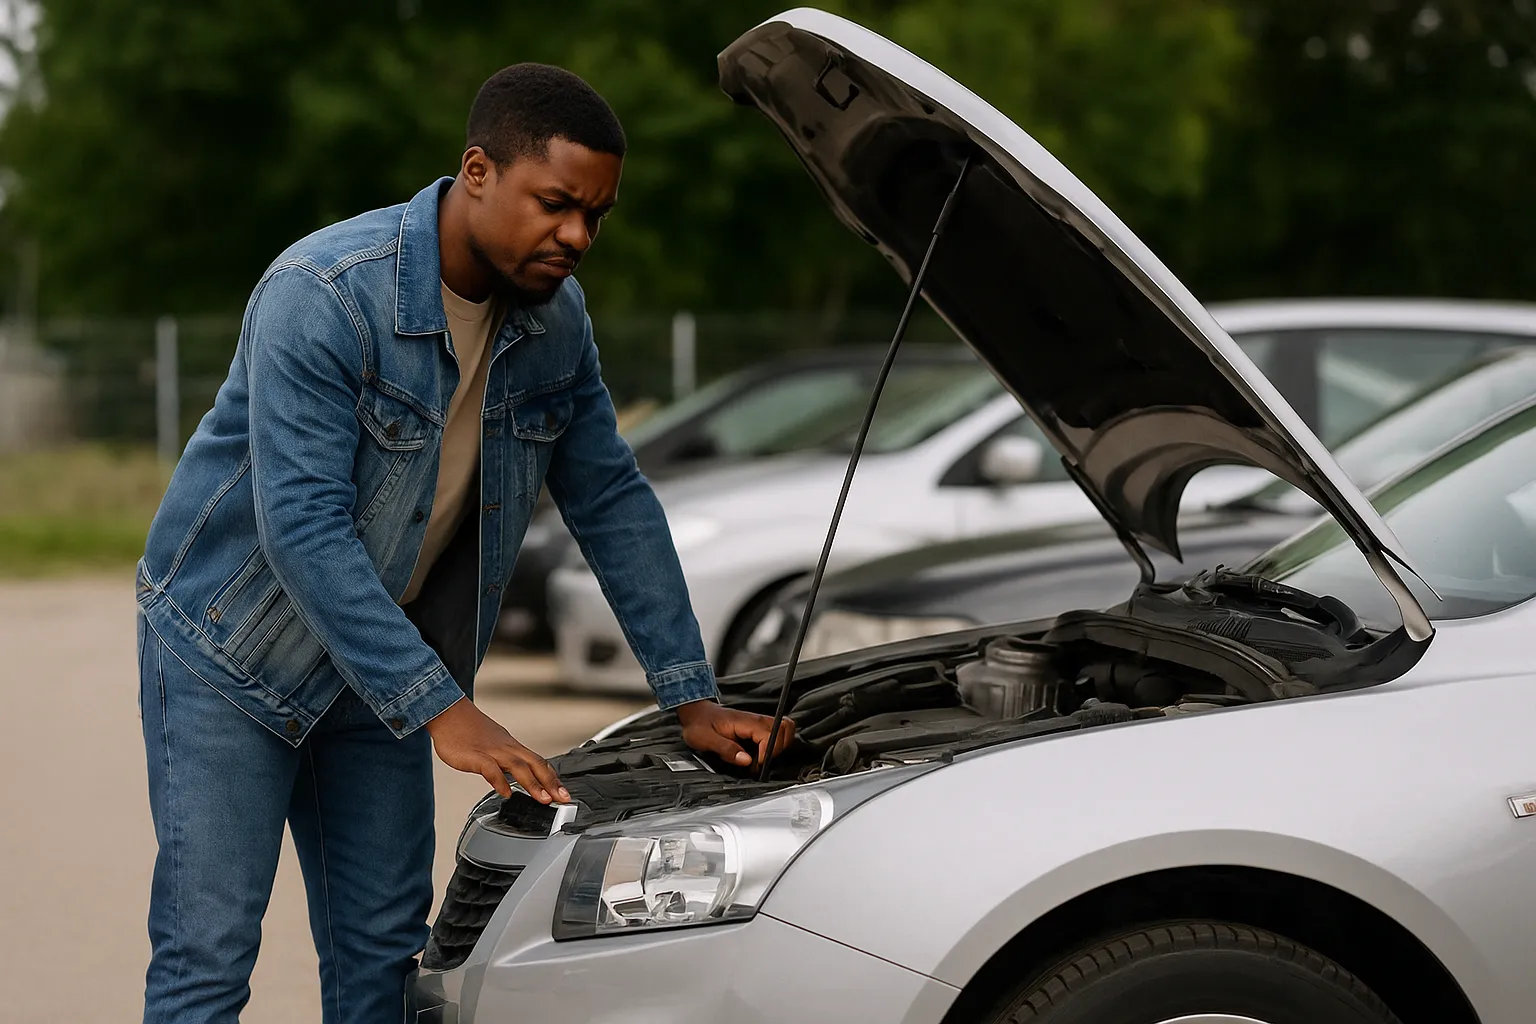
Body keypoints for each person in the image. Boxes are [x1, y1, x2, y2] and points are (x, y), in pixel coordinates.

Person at [133, 63, 794, 1024]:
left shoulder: (556, 324)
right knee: (209, 955)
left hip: (383, 659)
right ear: (477, 171)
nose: (576, 236)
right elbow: (303, 527)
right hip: (231, 651)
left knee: (384, 958)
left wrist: (690, 695)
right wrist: (443, 709)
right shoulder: (322, 293)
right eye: (557, 203)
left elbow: (610, 496)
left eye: (596, 216)